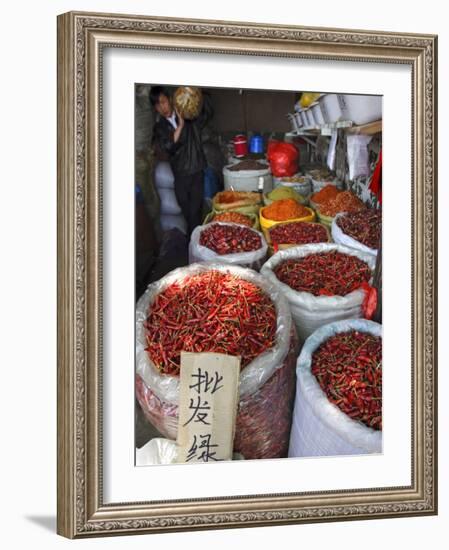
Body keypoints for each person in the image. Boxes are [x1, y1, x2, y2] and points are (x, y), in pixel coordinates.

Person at [150, 86, 208, 236]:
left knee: (195, 212)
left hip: (195, 170)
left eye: (163, 102)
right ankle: (195, 244)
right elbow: (168, 146)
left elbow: (207, 114)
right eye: (157, 105)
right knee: (187, 212)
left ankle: (194, 246)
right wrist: (180, 126)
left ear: (170, 100)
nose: (162, 107)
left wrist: (197, 97)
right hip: (180, 175)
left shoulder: (189, 116)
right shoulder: (160, 127)